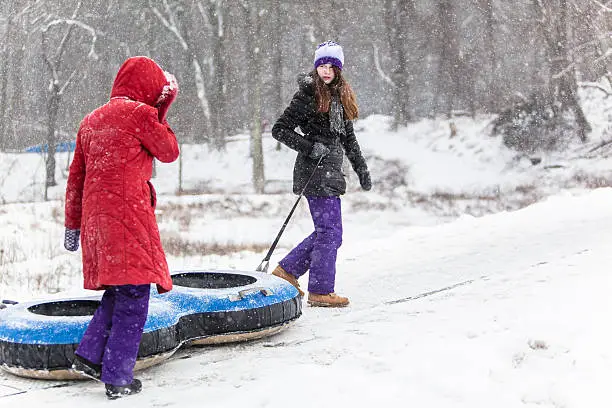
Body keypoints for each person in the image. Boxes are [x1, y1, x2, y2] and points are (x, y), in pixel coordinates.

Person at [63, 56, 179, 399]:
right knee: (134, 296)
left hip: (96, 221)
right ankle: (117, 376)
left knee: (118, 289)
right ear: (147, 89)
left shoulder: (91, 120)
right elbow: (169, 151)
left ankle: (88, 355)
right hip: (128, 217)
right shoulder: (141, 115)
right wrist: (162, 111)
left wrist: (73, 225)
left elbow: (76, 178)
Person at [271, 41, 372, 308]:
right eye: (321, 66)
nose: (326, 71)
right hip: (314, 171)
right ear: (316, 67)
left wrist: (361, 168)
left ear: (338, 70)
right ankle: (320, 290)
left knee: (330, 232)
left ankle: (287, 271)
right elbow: (280, 129)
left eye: (331, 67)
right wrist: (310, 147)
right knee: (329, 232)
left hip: (332, 173)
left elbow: (348, 139)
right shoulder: (308, 95)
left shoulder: (340, 97)